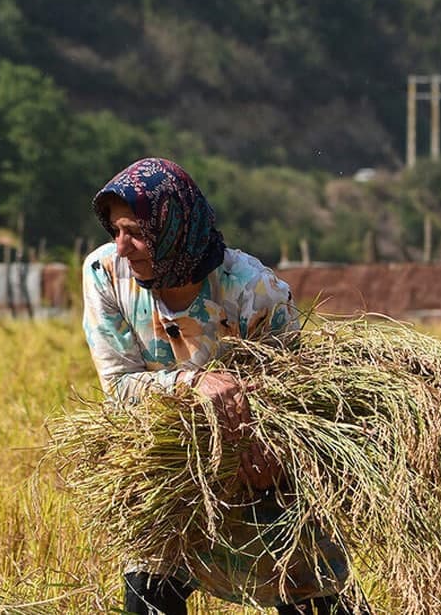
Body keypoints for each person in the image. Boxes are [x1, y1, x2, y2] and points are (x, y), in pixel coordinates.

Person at [82, 157, 358, 614]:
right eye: (114, 230)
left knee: (311, 595)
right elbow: (120, 388)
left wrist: (269, 452)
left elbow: (295, 398)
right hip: (174, 470)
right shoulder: (106, 274)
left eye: (135, 231)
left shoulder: (253, 290)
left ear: (174, 227)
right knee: (149, 591)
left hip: (261, 473)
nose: (122, 246)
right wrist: (193, 382)